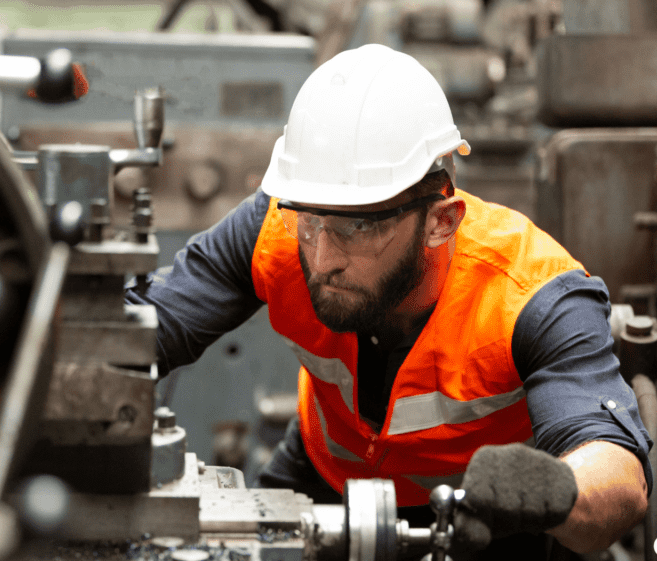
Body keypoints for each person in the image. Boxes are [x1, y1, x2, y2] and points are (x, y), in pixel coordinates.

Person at [126, 44, 651, 559]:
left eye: (357, 226)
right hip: (324, 476)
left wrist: (550, 494)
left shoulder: (532, 296)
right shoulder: (277, 233)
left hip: (483, 517)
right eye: (309, 223)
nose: (323, 257)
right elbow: (144, 330)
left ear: (440, 221)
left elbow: (617, 484)